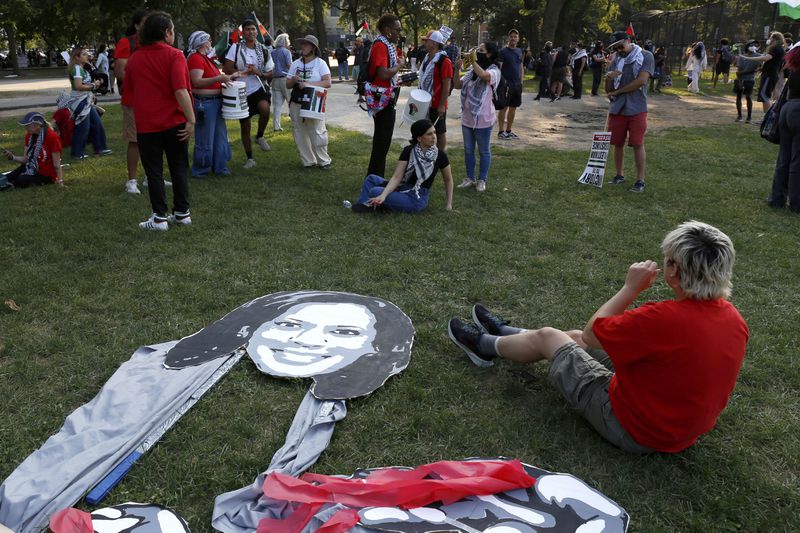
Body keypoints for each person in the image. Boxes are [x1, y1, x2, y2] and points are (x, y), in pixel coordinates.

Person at [448, 221, 749, 454]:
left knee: (553, 338)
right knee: (573, 338)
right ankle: (506, 334)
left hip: (635, 430)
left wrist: (630, 288)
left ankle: (483, 347)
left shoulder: (661, 318)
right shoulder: (734, 319)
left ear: (675, 271)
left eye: (667, 259)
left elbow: (595, 333)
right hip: (680, 430)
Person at [124, 11, 195, 231]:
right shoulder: (175, 55)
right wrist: (191, 119)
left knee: (154, 171)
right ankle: (182, 213)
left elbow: (130, 92)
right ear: (166, 32)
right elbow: (181, 90)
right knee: (179, 167)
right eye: (172, 30)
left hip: (147, 125)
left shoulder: (135, 58)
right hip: (174, 122)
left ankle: (159, 218)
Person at [348, 118, 453, 214]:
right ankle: (364, 205)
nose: (434, 136)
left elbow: (448, 179)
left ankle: (375, 205)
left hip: (416, 197)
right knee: (371, 179)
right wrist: (384, 195)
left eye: (434, 132)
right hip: (402, 186)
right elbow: (397, 177)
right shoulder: (409, 150)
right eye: (429, 134)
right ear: (419, 138)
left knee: (374, 191)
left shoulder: (440, 155)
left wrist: (449, 205)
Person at [605, 30, 654, 193]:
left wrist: (618, 92)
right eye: (615, 48)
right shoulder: (616, 59)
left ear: (628, 40)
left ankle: (640, 181)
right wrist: (608, 79)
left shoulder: (646, 56)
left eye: (620, 46)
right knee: (617, 143)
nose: (618, 50)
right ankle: (619, 175)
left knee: (637, 144)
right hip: (617, 108)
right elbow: (609, 90)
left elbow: (641, 81)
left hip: (637, 107)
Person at [223, 18, 275, 169]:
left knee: (265, 109)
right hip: (241, 91)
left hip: (258, 87)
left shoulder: (263, 49)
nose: (251, 32)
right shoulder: (236, 48)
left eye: (253, 29)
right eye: (247, 30)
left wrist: (260, 73)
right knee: (245, 125)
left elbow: (271, 71)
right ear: (243, 32)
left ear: (256, 31)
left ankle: (259, 136)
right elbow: (227, 69)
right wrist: (243, 72)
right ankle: (250, 158)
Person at [186, 30, 237, 178]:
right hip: (205, 103)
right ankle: (201, 169)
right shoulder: (196, 58)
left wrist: (228, 77)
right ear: (201, 42)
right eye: (208, 40)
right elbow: (196, 81)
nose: (211, 43)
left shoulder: (205, 58)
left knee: (220, 137)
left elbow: (214, 78)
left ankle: (219, 166)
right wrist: (218, 79)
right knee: (205, 138)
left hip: (214, 102)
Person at [454, 42, 500, 192]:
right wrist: (456, 69)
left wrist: (472, 61)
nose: (477, 52)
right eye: (477, 50)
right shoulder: (471, 72)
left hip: (484, 119)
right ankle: (469, 178)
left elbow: (485, 76)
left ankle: (482, 179)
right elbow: (457, 85)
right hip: (467, 118)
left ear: (489, 54)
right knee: (468, 150)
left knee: (483, 151)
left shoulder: (494, 70)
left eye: (481, 51)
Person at [364, 13, 405, 179]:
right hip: (382, 100)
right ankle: (375, 177)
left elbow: (388, 75)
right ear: (388, 30)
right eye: (397, 29)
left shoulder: (387, 45)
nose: (399, 33)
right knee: (382, 140)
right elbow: (383, 73)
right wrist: (399, 66)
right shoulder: (381, 45)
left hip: (386, 97)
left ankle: (374, 175)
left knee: (383, 139)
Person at [116, 10, 150, 195]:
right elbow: (121, 72)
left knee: (152, 139)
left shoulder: (151, 43)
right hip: (133, 99)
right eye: (145, 22)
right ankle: (132, 180)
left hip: (152, 99)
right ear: (136, 25)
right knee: (135, 140)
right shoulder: (126, 42)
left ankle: (152, 177)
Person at [286, 35, 332, 169]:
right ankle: (308, 161)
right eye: (302, 44)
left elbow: (327, 82)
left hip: (314, 101)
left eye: (306, 44)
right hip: (296, 101)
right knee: (299, 131)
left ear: (313, 47)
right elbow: (288, 85)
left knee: (317, 130)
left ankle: (324, 161)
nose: (303, 46)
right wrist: (293, 80)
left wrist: (308, 84)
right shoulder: (296, 63)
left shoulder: (320, 63)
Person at [767, 45, 800, 212]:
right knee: (797, 161)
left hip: (787, 110)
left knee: (784, 158)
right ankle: (796, 202)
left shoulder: (795, 68)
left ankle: (776, 198)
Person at [66, 47, 111, 160]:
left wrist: (93, 86)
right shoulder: (77, 69)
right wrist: (93, 85)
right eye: (84, 54)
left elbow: (84, 84)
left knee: (97, 124)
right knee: (83, 128)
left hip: (86, 101)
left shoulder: (82, 68)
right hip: (80, 102)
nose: (87, 56)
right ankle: (77, 153)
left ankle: (100, 148)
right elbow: (78, 86)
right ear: (77, 57)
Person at [1, 112, 63, 190]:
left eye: (27, 125)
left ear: (37, 125)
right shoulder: (29, 135)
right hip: (31, 166)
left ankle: (9, 186)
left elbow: (57, 164)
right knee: (7, 178)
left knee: (20, 180)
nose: (25, 127)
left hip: (46, 174)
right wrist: (12, 157)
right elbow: (26, 159)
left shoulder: (52, 137)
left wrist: (60, 182)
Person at [417, 29, 453, 151]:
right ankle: (427, 153)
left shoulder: (444, 61)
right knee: (425, 130)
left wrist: (442, 105)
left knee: (440, 131)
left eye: (427, 41)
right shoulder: (427, 59)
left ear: (434, 43)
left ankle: (441, 156)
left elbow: (447, 83)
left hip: (437, 103)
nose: (425, 43)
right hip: (425, 102)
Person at [497, 29, 523, 138]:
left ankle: (508, 130)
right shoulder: (503, 52)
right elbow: (499, 68)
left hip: (517, 85)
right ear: (508, 38)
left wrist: (521, 81)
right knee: (504, 107)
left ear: (518, 39)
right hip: (506, 85)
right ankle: (500, 131)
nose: (513, 38)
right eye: (511, 36)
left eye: (515, 37)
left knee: (513, 108)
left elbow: (521, 67)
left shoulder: (519, 51)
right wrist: (502, 83)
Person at [754, 32, 786, 112]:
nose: (770, 39)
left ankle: (767, 118)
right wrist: (762, 68)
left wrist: (751, 58)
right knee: (772, 95)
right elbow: (772, 62)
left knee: (765, 96)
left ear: (775, 39)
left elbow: (767, 58)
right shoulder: (779, 48)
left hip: (769, 75)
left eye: (771, 37)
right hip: (771, 74)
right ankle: (772, 116)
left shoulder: (776, 48)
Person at [734, 40, 761, 123]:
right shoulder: (742, 57)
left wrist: (747, 72)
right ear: (747, 46)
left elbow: (758, 68)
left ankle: (749, 117)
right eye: (751, 45)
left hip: (750, 80)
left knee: (748, 97)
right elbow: (739, 70)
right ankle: (739, 116)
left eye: (755, 45)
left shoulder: (758, 56)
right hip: (741, 79)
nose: (753, 46)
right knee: (738, 97)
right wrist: (739, 80)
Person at [270, 33, 292, 132]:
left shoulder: (272, 52)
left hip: (274, 80)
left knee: (277, 105)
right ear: (285, 42)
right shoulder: (286, 52)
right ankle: (295, 123)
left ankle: (276, 126)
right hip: (285, 79)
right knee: (291, 102)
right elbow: (289, 66)